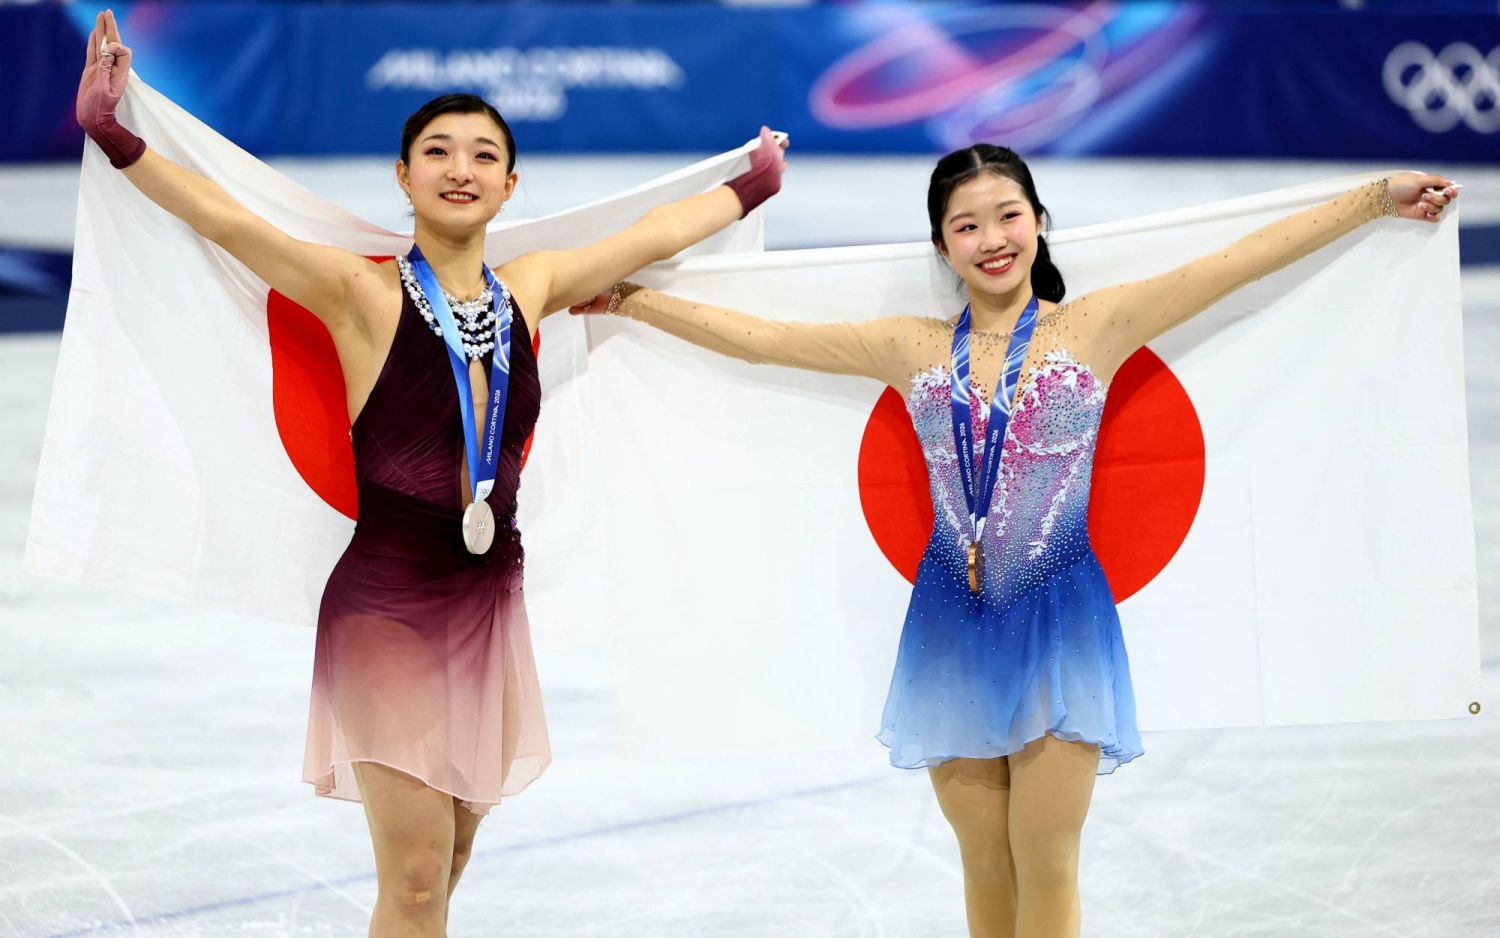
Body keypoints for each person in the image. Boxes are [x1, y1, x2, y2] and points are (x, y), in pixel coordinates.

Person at [575, 143, 1456, 938]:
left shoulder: (1093, 326)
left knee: (1046, 861)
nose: (992, 239)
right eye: (967, 225)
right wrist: (629, 299)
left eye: (1008, 216)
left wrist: (1377, 196)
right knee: (984, 863)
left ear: (1038, 221)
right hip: (949, 624)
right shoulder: (911, 346)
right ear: (941, 245)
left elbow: (1238, 261)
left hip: (1060, 621)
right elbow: (766, 341)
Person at [74, 9, 787, 935]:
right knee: (413, 884)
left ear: (510, 184)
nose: (462, 169)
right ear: (403, 176)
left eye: (484, 155)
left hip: (487, 605)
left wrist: (751, 187)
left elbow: (652, 234)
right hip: (388, 607)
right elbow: (225, 219)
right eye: (439, 152)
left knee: (446, 862)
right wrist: (113, 131)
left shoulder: (530, 286)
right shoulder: (360, 293)